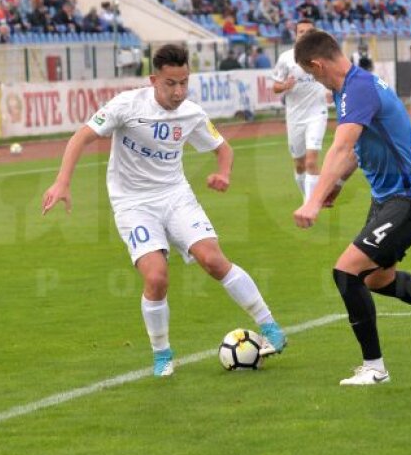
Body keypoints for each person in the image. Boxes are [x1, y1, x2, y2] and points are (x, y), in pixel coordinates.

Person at [41, 44, 287, 377]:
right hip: (133, 204)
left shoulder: (192, 114)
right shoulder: (127, 105)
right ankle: (162, 354)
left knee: (213, 259)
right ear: (154, 79)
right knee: (156, 278)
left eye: (184, 82)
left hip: (175, 196)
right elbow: (81, 137)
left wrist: (224, 173)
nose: (179, 91)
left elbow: (223, 149)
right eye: (171, 83)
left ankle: (269, 326)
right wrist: (62, 182)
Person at [292, 30, 411, 386]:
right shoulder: (347, 87)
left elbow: (342, 147)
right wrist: (339, 185)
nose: (315, 80)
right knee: (377, 279)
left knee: (345, 271)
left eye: (312, 73)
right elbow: (360, 148)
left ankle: (375, 368)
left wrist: (314, 199)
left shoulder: (358, 88)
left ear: (317, 64)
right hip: (389, 199)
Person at [272, 19, 331, 203]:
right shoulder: (286, 58)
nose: (305, 35)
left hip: (317, 113)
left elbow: (333, 78)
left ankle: (310, 204)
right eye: (301, 32)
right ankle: (307, 197)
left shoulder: (323, 56)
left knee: (311, 161)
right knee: (299, 164)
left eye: (309, 31)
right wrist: (284, 85)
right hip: (295, 117)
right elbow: (274, 87)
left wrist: (332, 91)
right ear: (296, 35)